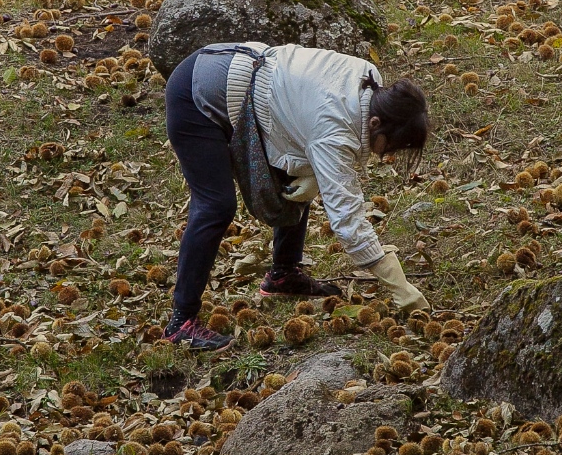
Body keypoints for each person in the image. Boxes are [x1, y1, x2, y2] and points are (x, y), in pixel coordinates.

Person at [163, 40, 431, 351]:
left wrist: (315, 172)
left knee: (295, 181)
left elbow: (306, 128)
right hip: (195, 95)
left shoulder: (368, 82)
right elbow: (347, 219)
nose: (389, 155)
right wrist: (398, 285)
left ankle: (283, 275)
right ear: (375, 123)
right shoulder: (335, 124)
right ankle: (181, 322)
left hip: (245, 75)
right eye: (392, 145)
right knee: (215, 206)